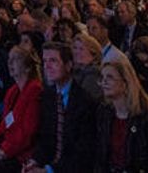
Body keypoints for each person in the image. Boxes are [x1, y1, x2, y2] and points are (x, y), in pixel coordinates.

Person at [24, 42, 98, 173]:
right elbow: (45, 138)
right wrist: (34, 161)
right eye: (45, 61)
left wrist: (48, 170)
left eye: (53, 61)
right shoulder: (47, 96)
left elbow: (83, 152)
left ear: (68, 65)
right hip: (49, 164)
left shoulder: (85, 102)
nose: (47, 66)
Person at [93, 59, 148, 173]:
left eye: (110, 77)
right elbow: (100, 156)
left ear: (126, 83)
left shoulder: (146, 117)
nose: (104, 82)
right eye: (102, 77)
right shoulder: (104, 112)